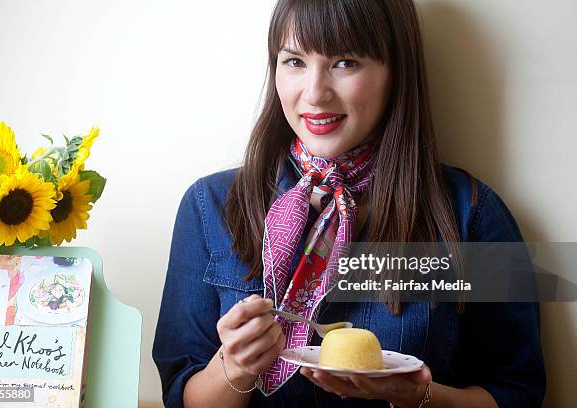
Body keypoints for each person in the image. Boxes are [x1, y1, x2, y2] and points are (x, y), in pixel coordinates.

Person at [153, 0, 545, 407]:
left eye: (345, 62)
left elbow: (517, 393)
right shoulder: (210, 206)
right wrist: (234, 366)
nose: (315, 93)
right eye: (294, 61)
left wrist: (420, 397)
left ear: (396, 70)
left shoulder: (472, 215)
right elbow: (181, 396)